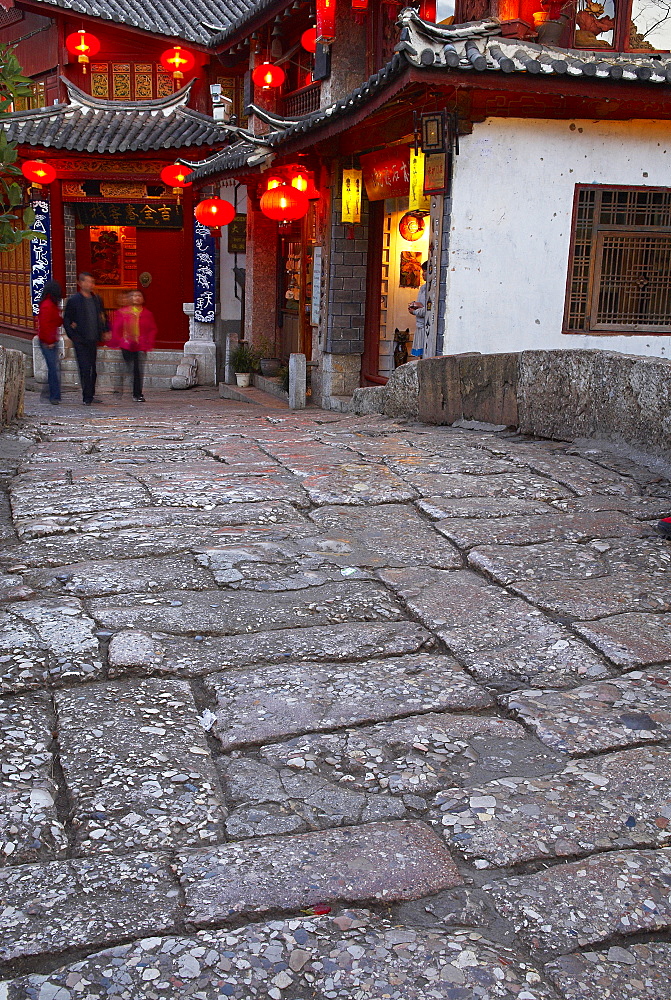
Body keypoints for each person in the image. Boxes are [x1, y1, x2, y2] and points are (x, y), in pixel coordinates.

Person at [63, 272, 108, 405]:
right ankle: (86, 397)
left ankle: (91, 393)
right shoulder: (74, 300)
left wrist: (105, 330)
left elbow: (102, 316)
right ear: (80, 283)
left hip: (93, 338)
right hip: (80, 339)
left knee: (93, 369)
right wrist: (73, 335)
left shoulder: (96, 299)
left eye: (92, 282)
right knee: (84, 368)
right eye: (87, 281)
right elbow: (67, 320)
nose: (90, 284)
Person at [108, 289, 157, 402]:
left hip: (140, 345)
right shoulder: (123, 312)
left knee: (138, 370)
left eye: (139, 296)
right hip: (126, 345)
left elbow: (152, 329)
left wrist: (148, 341)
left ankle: (137, 393)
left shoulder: (147, 314)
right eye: (134, 296)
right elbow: (116, 328)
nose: (136, 298)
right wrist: (118, 340)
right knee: (126, 367)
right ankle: (119, 387)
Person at [37, 280, 63, 405]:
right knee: (53, 369)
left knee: (53, 368)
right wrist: (49, 341)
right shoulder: (48, 305)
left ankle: (50, 393)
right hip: (48, 342)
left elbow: (56, 321)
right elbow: (45, 325)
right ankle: (54, 395)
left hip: (51, 340)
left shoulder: (51, 304)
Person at [408, 260, 428, 358]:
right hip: (420, 325)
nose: (423, 274)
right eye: (423, 271)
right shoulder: (423, 288)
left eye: (426, 271)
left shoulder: (431, 289)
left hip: (426, 326)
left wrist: (416, 311)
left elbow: (428, 310)